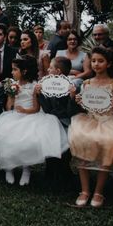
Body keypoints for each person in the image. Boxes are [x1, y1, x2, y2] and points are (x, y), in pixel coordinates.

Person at [0, 55, 68, 186]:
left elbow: (36, 108)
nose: (12, 72)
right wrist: (11, 96)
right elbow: (8, 107)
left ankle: (26, 169)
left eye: (15, 70)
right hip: (13, 115)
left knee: (27, 139)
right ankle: (8, 168)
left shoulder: (34, 86)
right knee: (4, 135)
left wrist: (25, 111)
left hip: (30, 115)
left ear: (24, 71)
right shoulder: (12, 84)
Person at [69, 46, 113, 208]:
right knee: (80, 137)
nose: (96, 64)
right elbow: (86, 106)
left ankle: (99, 191)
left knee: (108, 140)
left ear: (108, 64)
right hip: (89, 119)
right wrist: (78, 100)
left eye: (100, 61)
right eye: (93, 61)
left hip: (109, 120)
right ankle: (84, 190)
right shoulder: (86, 83)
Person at [37, 56, 78, 190]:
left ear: (58, 71)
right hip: (50, 118)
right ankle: (50, 169)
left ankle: (64, 170)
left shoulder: (71, 86)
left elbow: (71, 112)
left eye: (51, 67)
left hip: (66, 120)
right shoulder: (46, 85)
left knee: (66, 141)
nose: (48, 69)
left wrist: (72, 98)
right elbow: (47, 109)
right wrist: (40, 95)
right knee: (47, 136)